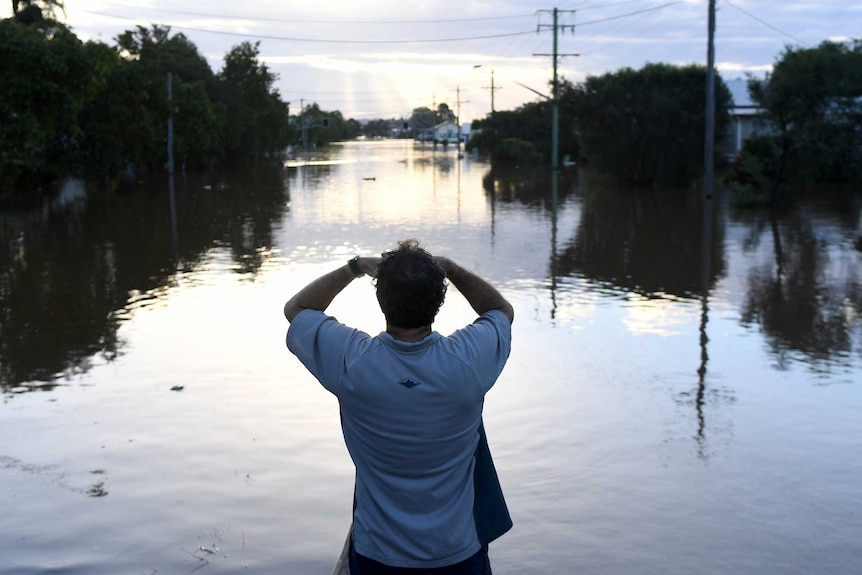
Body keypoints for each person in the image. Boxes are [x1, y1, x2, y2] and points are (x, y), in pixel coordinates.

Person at [284, 239, 514, 574]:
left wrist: (356, 267)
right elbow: (500, 312)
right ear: (439, 300)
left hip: (377, 553)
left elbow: (298, 310)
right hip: (458, 553)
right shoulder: (467, 362)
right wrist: (448, 267)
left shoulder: (353, 363)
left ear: (381, 300)